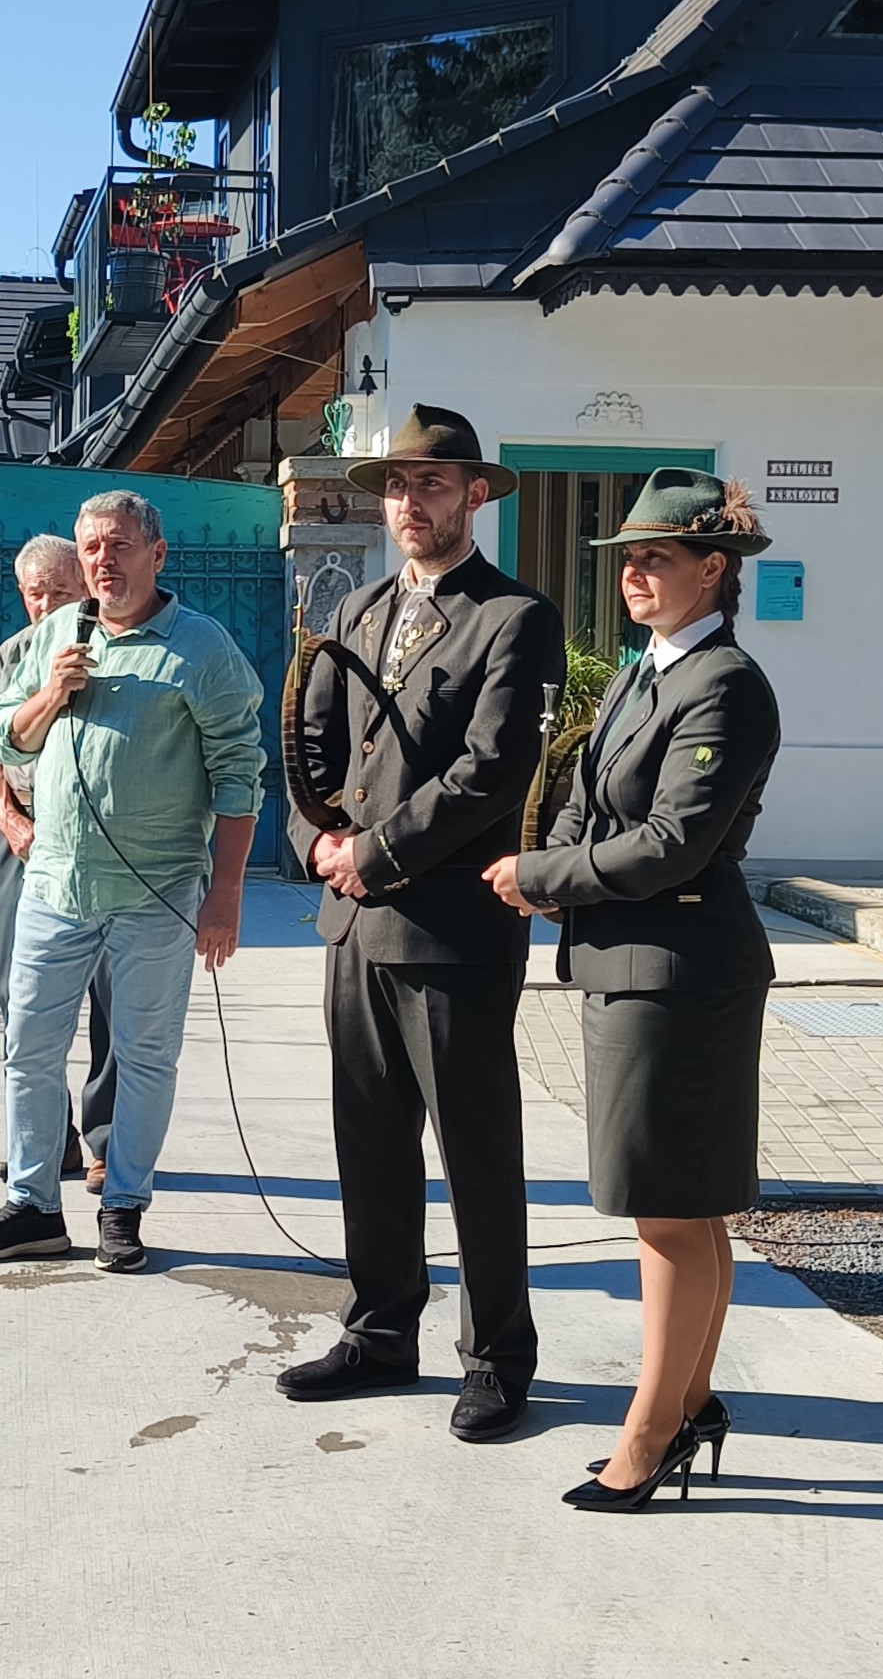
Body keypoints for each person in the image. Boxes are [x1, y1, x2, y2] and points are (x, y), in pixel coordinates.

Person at [482, 466, 781, 1510]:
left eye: (658, 557)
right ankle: (688, 1406)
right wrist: (550, 869)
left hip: (680, 972)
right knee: (685, 1209)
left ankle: (648, 1437)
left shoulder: (724, 683)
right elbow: (582, 796)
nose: (635, 574)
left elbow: (672, 842)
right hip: (633, 962)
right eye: (629, 559)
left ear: (714, 568)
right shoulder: (642, 673)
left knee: (667, 1213)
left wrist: (543, 878)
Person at [276, 404, 564, 1443]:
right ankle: (380, 1328)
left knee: (475, 1153)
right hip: (353, 923)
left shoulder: (512, 617)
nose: (409, 502)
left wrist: (377, 852)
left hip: (450, 931)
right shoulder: (357, 609)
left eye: (431, 484)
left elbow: (491, 772)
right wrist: (318, 840)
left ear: (475, 494)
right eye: (396, 485)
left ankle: (496, 1357)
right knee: (369, 1142)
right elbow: (310, 740)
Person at [0, 490, 266, 1274]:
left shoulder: (201, 647)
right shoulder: (56, 633)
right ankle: (33, 1206)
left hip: (156, 894)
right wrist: (50, 693)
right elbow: (5, 742)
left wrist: (225, 896)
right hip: (55, 885)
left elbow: (238, 775)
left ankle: (123, 1204)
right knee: (28, 1049)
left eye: (119, 545)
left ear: (156, 555)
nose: (103, 560)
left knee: (144, 1054)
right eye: (91, 547)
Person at [0, 535, 115, 1191]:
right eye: (36, 594)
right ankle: (47, 1139)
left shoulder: (113, 646)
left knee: (113, 996)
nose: (46, 605)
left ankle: (108, 1142)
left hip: (103, 840)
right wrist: (12, 823)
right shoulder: (14, 653)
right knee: (20, 993)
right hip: (25, 836)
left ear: (84, 587)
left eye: (59, 592)